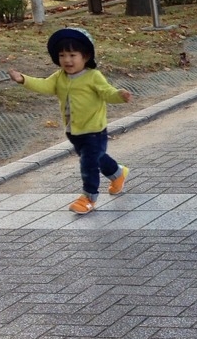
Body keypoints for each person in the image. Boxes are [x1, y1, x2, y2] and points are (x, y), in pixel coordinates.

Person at [9, 27, 133, 214]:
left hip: (94, 130)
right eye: (62, 55)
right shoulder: (59, 77)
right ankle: (118, 173)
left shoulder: (93, 76)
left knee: (88, 163)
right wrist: (23, 79)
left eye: (73, 55)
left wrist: (119, 95)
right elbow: (44, 85)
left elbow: (107, 92)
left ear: (86, 56)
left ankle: (88, 197)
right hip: (74, 131)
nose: (67, 60)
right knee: (97, 158)